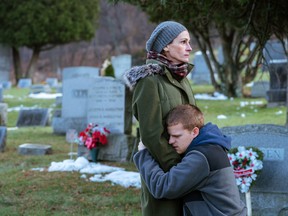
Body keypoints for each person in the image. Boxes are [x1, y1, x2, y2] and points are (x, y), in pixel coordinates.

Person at [123, 21, 196, 216]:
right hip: (164, 173)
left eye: (189, 42)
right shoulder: (149, 81)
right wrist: (177, 169)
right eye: (183, 42)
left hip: (188, 169)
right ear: (165, 46)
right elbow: (151, 134)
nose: (189, 47)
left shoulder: (181, 77)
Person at [134, 104, 247, 216]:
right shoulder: (211, 147)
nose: (170, 141)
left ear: (194, 132)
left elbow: (163, 187)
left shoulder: (201, 157)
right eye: (170, 136)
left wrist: (143, 155)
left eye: (177, 136)